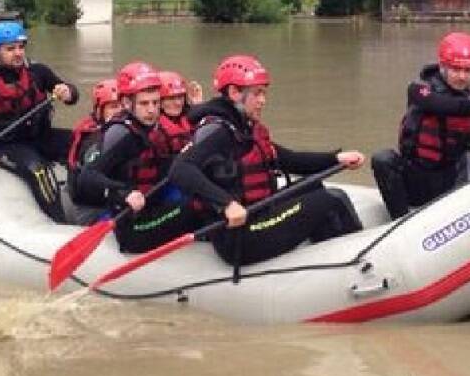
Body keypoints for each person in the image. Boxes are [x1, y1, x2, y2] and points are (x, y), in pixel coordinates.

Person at [170, 54, 366, 267]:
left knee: (316, 187)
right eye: (257, 93)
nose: (263, 100)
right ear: (234, 93)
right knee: (328, 200)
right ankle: (359, 265)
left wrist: (335, 159)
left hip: (260, 211)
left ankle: (333, 261)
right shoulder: (217, 130)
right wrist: (226, 204)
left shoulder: (245, 127)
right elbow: (180, 170)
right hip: (240, 235)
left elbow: (288, 159)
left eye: (263, 93)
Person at [372, 31, 470, 220]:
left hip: (449, 184)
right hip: (415, 179)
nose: (462, 76)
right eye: (455, 69)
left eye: (468, 70)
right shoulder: (419, 90)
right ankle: (401, 222)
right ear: (442, 66)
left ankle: (463, 222)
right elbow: (445, 106)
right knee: (382, 158)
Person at [0, 20, 78, 221]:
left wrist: (68, 92)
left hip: (42, 137)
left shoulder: (38, 72)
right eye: (10, 49)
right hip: (8, 147)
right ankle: (61, 223)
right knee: (38, 171)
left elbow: (72, 95)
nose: (18, 53)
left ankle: (91, 201)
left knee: (85, 144)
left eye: (20, 47)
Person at [79, 62, 199, 253]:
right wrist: (124, 193)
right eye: (144, 103)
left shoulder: (154, 126)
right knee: (198, 209)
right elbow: (87, 176)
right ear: (127, 103)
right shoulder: (120, 134)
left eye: (156, 102)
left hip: (154, 205)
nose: (152, 110)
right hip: (133, 226)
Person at [65, 78, 123, 208]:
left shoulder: (121, 131)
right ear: (99, 111)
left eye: (123, 105)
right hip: (89, 207)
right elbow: (91, 180)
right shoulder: (93, 140)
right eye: (113, 106)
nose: (120, 111)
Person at [153, 70, 203, 155]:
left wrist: (198, 108)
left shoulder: (192, 119)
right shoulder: (153, 130)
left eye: (180, 97)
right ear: (158, 101)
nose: (178, 103)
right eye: (171, 98)